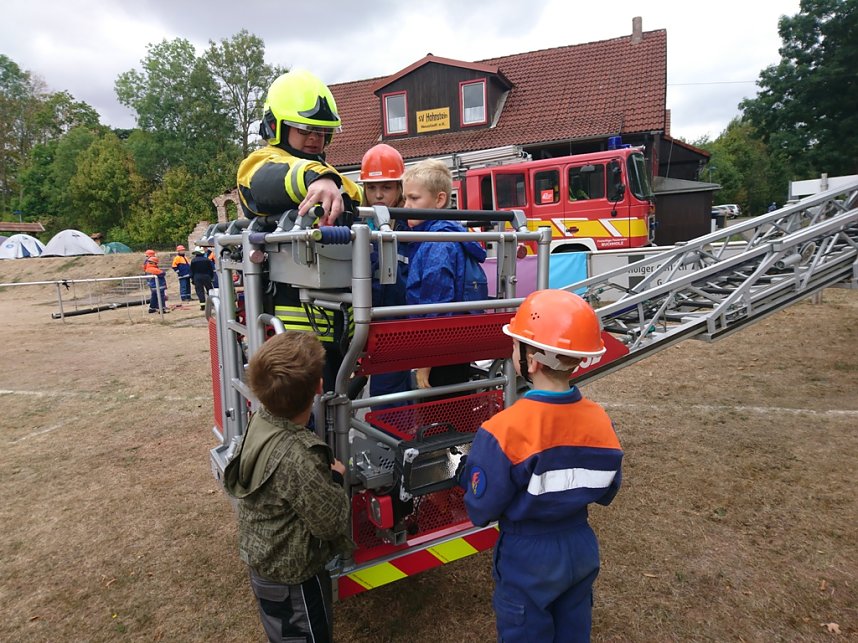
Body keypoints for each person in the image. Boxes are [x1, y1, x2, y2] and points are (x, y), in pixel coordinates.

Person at [458, 289, 623, 643]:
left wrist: (464, 475)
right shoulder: (600, 420)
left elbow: (481, 509)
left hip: (528, 556)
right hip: (580, 546)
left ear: (531, 361)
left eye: (515, 344)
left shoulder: (504, 430)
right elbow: (608, 489)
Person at [237, 68, 363, 390]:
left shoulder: (330, 172)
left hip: (341, 322)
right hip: (291, 335)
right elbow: (267, 182)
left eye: (322, 132)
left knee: (339, 402)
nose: (314, 138)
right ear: (275, 126)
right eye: (305, 129)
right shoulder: (260, 162)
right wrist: (315, 180)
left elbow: (355, 196)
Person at [222, 331, 352, 643]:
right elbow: (330, 522)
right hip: (294, 581)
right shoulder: (298, 456)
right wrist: (335, 478)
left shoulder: (262, 418)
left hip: (265, 563)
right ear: (319, 386)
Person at [402, 158, 487, 390]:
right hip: (455, 341)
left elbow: (437, 305)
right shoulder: (447, 234)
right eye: (405, 198)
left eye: (414, 198)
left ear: (439, 200)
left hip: (438, 348)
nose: (406, 206)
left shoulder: (436, 243)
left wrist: (426, 360)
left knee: (437, 405)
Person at [360, 143, 411, 404]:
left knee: (388, 396)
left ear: (400, 188)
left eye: (386, 187)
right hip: (363, 321)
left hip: (396, 324)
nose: (378, 195)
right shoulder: (357, 223)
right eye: (371, 188)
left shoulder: (410, 224)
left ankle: (391, 431)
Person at [142, 250, 168, 314]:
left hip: (152, 285)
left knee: (154, 296)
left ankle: (152, 308)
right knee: (161, 297)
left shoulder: (147, 267)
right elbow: (162, 273)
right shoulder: (154, 269)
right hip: (158, 285)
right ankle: (161, 309)